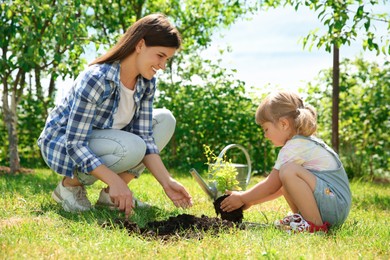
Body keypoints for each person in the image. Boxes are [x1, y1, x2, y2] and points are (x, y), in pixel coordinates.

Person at [38, 13, 192, 218]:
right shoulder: (97, 78)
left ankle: (111, 196)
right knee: (134, 146)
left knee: (165, 120)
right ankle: (70, 187)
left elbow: (145, 136)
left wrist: (167, 181)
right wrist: (115, 179)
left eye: (167, 59)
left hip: (106, 140)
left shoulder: (147, 82)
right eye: (160, 56)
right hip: (64, 144)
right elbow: (75, 143)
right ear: (140, 45)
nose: (163, 66)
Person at [220, 91, 351, 233]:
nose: (265, 135)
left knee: (288, 171)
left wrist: (243, 198)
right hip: (334, 205)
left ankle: (314, 226)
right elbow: (280, 187)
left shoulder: (294, 147)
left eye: (266, 129)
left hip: (334, 205)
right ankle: (304, 220)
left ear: (283, 124)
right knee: (286, 174)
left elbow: (271, 185)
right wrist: (249, 201)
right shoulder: (302, 142)